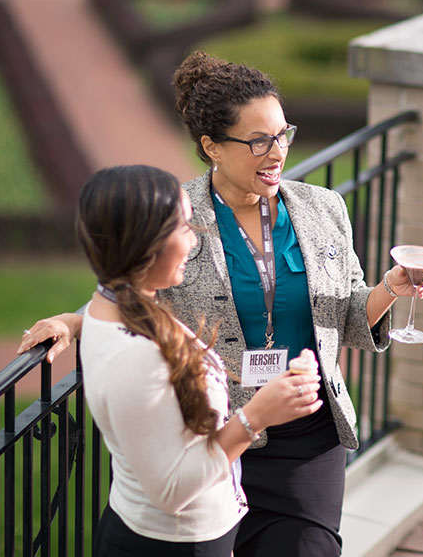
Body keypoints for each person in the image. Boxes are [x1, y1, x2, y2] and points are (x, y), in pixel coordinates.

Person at [19, 52, 423, 556]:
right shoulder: (176, 215)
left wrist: (391, 287)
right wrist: (70, 321)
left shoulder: (325, 208)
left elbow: (348, 320)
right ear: (211, 146)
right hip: (212, 434)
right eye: (259, 140)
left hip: (305, 435)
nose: (277, 151)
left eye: (283, 134)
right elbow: (134, 292)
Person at [74, 164, 323, 556]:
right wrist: (257, 415)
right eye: (184, 228)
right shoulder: (137, 356)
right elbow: (171, 491)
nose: (195, 243)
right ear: (144, 243)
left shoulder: (114, 305)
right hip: (171, 543)